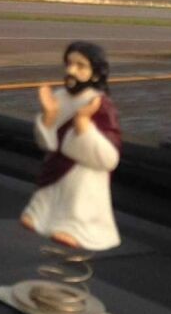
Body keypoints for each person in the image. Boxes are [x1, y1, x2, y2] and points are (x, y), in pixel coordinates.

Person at [20, 41, 121, 251]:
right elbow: (47, 144)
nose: (71, 71)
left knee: (79, 192)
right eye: (69, 64)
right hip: (55, 168)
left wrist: (82, 123)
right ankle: (41, 216)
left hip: (84, 171)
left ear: (95, 75)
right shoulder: (59, 97)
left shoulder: (99, 104)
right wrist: (49, 116)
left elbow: (109, 158)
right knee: (48, 196)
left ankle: (75, 228)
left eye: (80, 66)